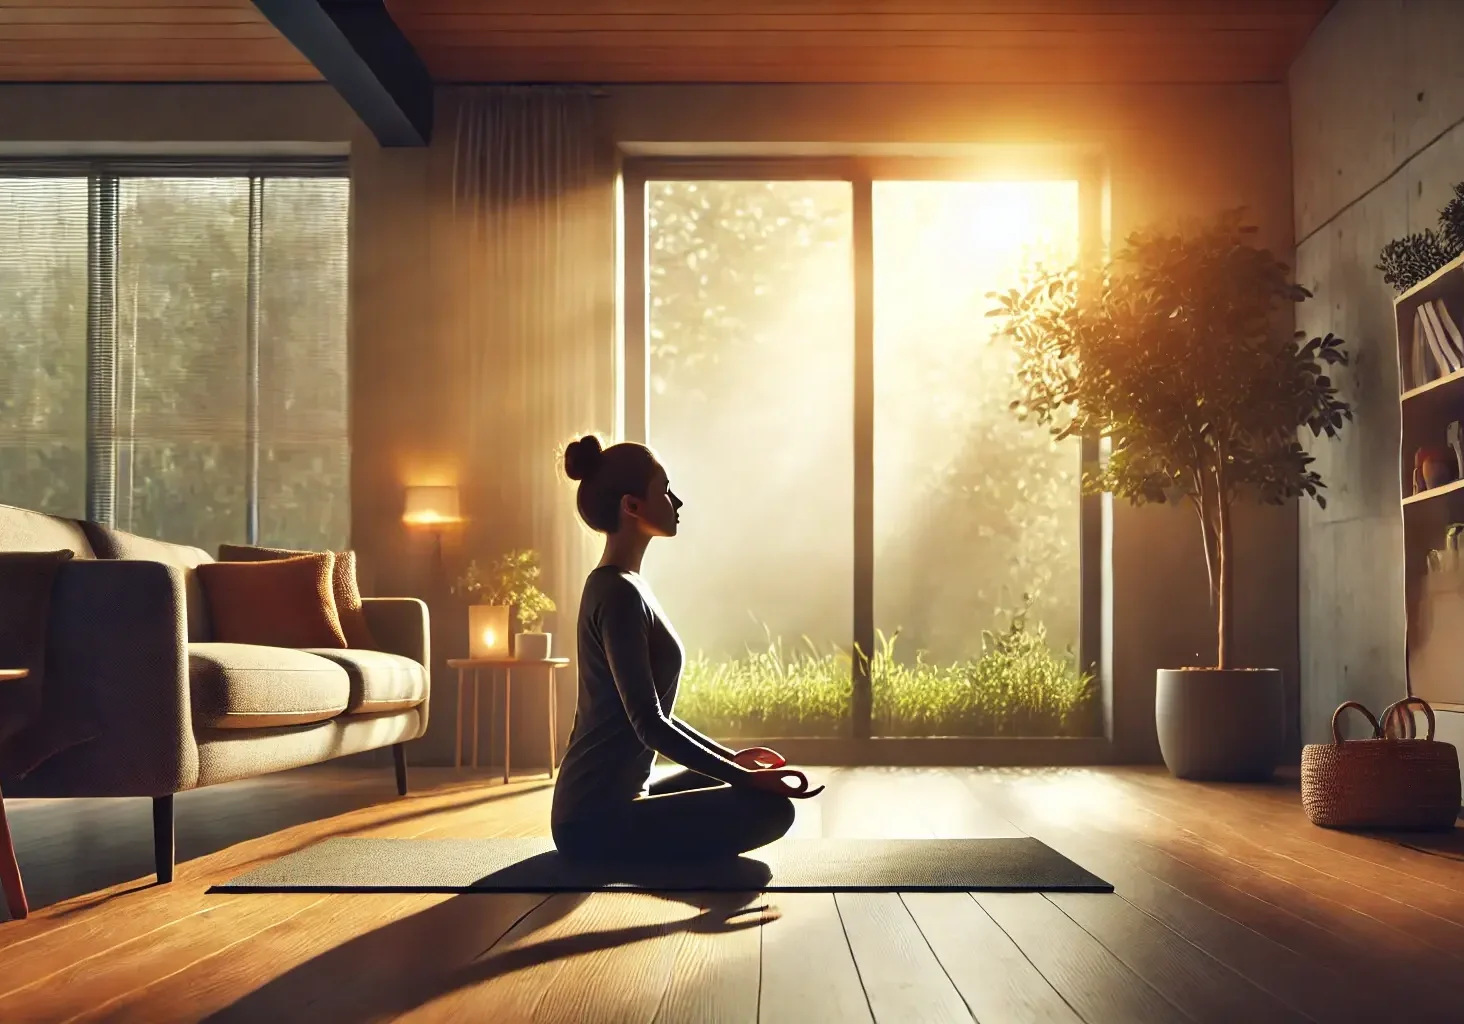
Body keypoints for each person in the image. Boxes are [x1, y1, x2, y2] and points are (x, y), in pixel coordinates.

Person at [551, 434, 822, 862]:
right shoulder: (617, 592)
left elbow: (651, 714)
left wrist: (733, 760)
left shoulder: (624, 584)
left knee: (732, 782)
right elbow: (650, 725)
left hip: (608, 803)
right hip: (591, 821)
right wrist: (744, 778)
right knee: (771, 809)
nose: (677, 502)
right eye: (664, 490)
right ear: (633, 506)